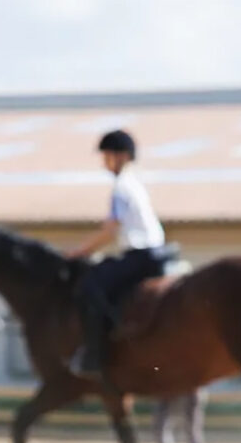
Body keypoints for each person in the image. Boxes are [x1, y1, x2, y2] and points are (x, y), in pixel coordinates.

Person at [68, 129, 167, 378]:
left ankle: (96, 353)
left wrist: (80, 251)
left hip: (141, 255)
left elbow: (111, 230)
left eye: (107, 156)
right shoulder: (134, 183)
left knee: (89, 287)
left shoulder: (121, 187)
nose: (104, 162)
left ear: (120, 157)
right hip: (152, 252)